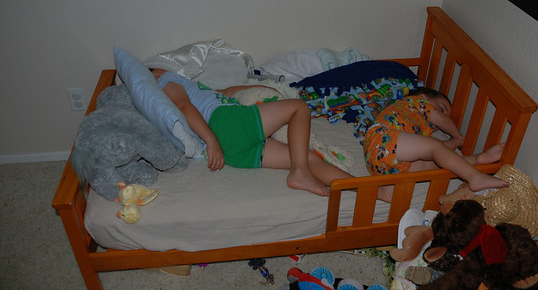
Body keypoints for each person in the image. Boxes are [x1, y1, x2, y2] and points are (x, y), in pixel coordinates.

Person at [151, 68, 378, 199]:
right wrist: (211, 141)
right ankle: (299, 173)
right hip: (227, 124)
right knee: (298, 108)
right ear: (152, 74)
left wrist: (266, 90)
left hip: (233, 151)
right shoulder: (166, 81)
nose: (167, 67)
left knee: (306, 156)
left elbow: (225, 92)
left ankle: (370, 192)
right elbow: (182, 107)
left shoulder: (189, 85)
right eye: (157, 68)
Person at [363, 87, 509, 193]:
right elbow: (440, 124)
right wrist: (458, 136)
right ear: (424, 97)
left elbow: (440, 151)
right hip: (381, 138)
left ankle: (478, 159)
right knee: (434, 148)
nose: (439, 119)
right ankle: (475, 177)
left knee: (434, 163)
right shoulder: (415, 102)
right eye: (441, 108)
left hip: (384, 166)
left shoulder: (420, 132)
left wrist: (455, 143)